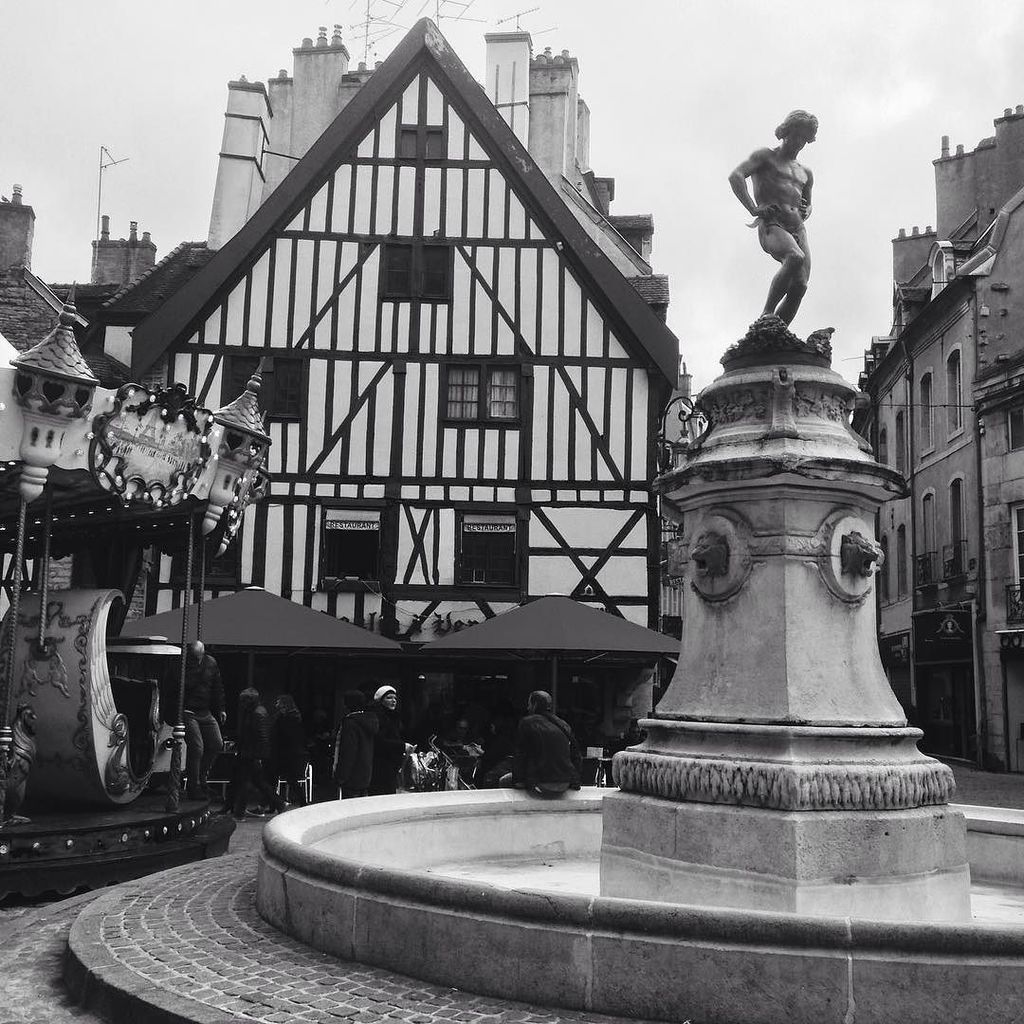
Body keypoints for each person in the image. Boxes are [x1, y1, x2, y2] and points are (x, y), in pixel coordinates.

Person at [728, 110, 818, 326]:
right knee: (794, 257)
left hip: (798, 228)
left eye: (804, 139)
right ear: (786, 131)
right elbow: (736, 176)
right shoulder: (765, 157)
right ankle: (767, 315)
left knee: (800, 286)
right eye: (795, 135)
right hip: (772, 223)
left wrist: (808, 210)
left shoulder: (805, 172)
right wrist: (753, 208)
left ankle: (777, 333)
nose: (798, 142)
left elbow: (808, 203)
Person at [503, 690, 582, 796]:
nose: (528, 708)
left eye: (529, 704)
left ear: (535, 704)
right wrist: (575, 782)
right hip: (565, 783)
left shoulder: (527, 722)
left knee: (503, 781)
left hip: (542, 783)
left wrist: (518, 781)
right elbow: (576, 755)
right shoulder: (563, 724)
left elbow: (521, 754)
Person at [227, 687, 283, 818]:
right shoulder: (256, 712)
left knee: (245, 782)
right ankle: (279, 803)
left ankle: (239, 812)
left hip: (252, 753)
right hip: (250, 752)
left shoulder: (257, 713)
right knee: (257, 782)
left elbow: (262, 736)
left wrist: (259, 755)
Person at [182, 640, 226, 800]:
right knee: (197, 748)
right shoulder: (183, 664)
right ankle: (194, 786)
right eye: (195, 657)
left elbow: (217, 686)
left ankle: (202, 778)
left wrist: (221, 708)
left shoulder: (210, 663)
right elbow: (176, 686)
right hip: (189, 711)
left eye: (199, 656)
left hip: (204, 710)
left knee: (216, 743)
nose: (198, 660)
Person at [333, 690, 378, 799]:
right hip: (365, 773)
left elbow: (348, 751)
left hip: (351, 776)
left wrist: (341, 776)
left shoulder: (350, 723)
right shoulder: (370, 722)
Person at [369, 685, 412, 796]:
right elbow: (379, 742)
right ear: (381, 700)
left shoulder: (394, 717)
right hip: (380, 765)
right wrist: (402, 746)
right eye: (389, 698)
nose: (393, 701)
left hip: (391, 765)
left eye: (395, 698)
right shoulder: (378, 717)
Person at [272, 694, 308, 806]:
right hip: (287, 752)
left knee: (288, 779)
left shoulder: (290, 718)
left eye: (278, 702)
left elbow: (286, 735)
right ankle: (274, 803)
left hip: (287, 753)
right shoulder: (291, 717)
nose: (276, 704)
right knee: (286, 779)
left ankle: (275, 803)